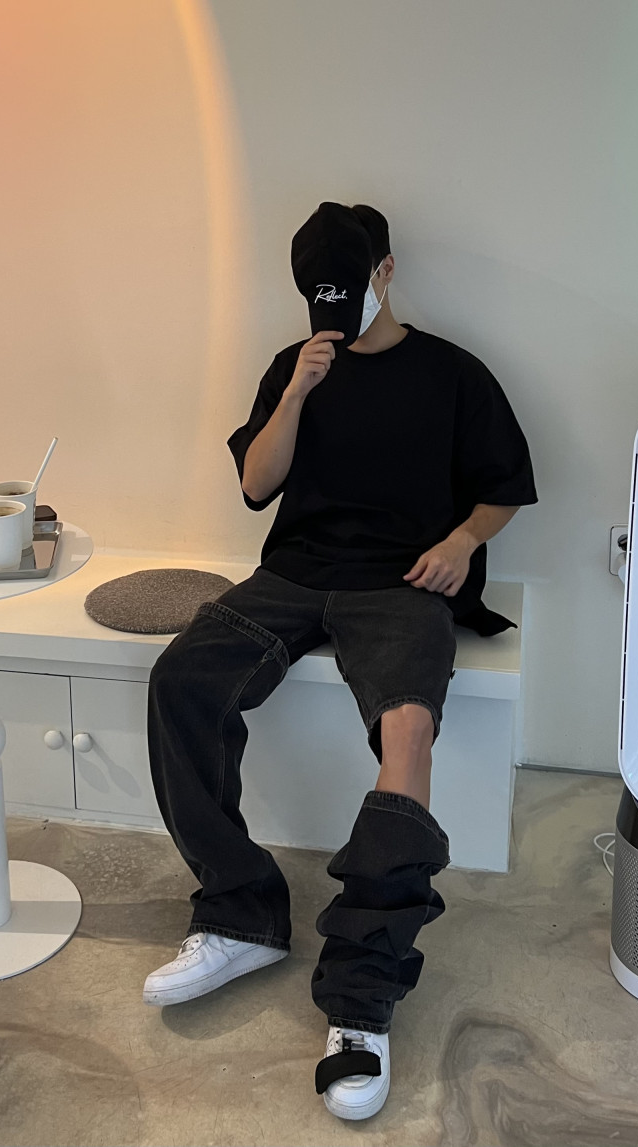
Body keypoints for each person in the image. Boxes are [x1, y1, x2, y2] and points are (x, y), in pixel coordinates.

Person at [144, 202, 538, 1121]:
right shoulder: (296, 364)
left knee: (408, 733)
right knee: (182, 681)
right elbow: (256, 484)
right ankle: (240, 912)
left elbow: (507, 487)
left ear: (385, 273)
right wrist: (296, 393)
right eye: (318, 297)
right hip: (293, 576)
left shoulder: (451, 373)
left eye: (349, 291)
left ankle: (362, 992)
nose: (335, 311)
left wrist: (460, 542)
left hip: (401, 584)